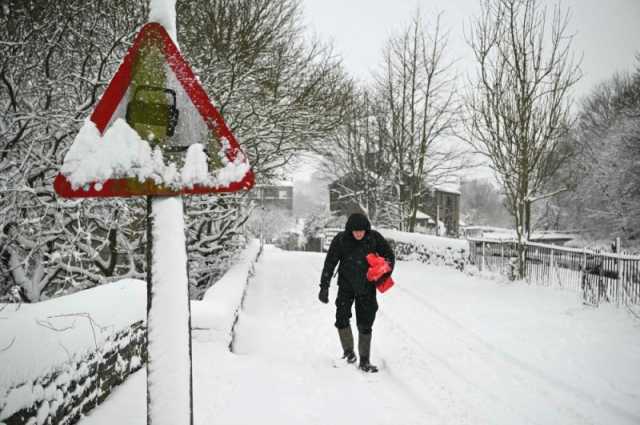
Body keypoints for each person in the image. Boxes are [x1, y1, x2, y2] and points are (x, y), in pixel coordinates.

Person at [318, 212, 395, 373]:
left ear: (366, 229)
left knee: (365, 323)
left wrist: (383, 272)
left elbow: (389, 257)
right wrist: (324, 286)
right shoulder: (341, 240)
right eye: (355, 231)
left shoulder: (374, 238)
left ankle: (365, 360)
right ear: (350, 230)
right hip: (346, 286)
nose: (358, 233)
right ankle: (348, 353)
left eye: (361, 230)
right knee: (341, 318)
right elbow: (330, 262)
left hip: (367, 287)